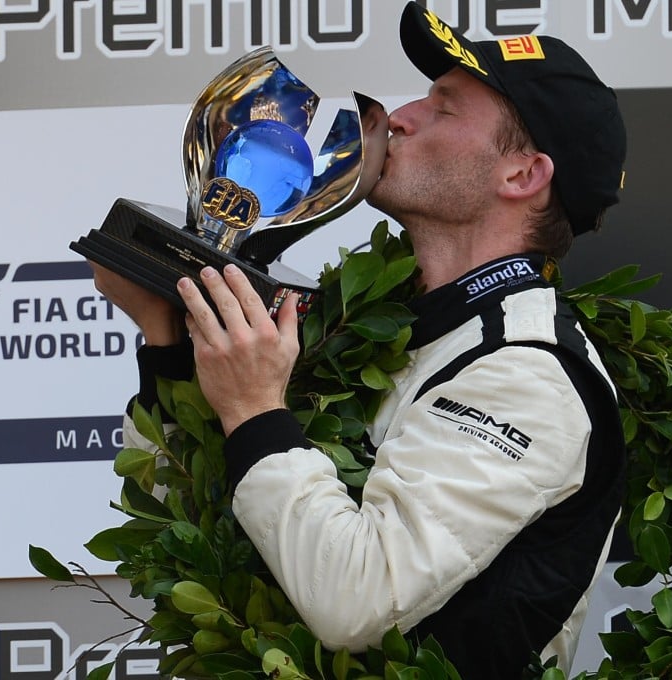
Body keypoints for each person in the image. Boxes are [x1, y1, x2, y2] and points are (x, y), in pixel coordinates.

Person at [93, 2, 628, 678]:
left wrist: (256, 410)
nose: (399, 117)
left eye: (445, 107)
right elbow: (174, 524)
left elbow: (354, 601)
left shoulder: (530, 374)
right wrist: (166, 338)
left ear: (522, 175)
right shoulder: (372, 326)